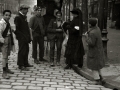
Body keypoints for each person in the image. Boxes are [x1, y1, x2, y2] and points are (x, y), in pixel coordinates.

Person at [85, 18, 105, 85]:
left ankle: (97, 80)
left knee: (94, 66)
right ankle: (101, 78)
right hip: (98, 50)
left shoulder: (92, 33)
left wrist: (86, 37)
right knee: (97, 66)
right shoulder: (97, 29)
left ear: (90, 24)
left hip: (94, 51)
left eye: (89, 23)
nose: (88, 24)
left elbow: (91, 43)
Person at [14, 5, 33, 71]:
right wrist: (22, 37)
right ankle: (21, 65)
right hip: (22, 38)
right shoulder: (18, 17)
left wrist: (28, 37)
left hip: (25, 37)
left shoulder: (23, 17)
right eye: (26, 9)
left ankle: (25, 63)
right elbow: (17, 29)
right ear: (22, 10)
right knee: (22, 51)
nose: (27, 11)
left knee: (26, 50)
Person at [0, 10, 15, 79]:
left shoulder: (7, 22)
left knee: (7, 55)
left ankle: (6, 68)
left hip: (9, 38)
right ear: (3, 15)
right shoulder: (1, 23)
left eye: (9, 15)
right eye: (6, 15)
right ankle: (4, 72)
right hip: (4, 39)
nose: (8, 16)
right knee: (4, 56)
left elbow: (9, 30)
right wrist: (2, 41)